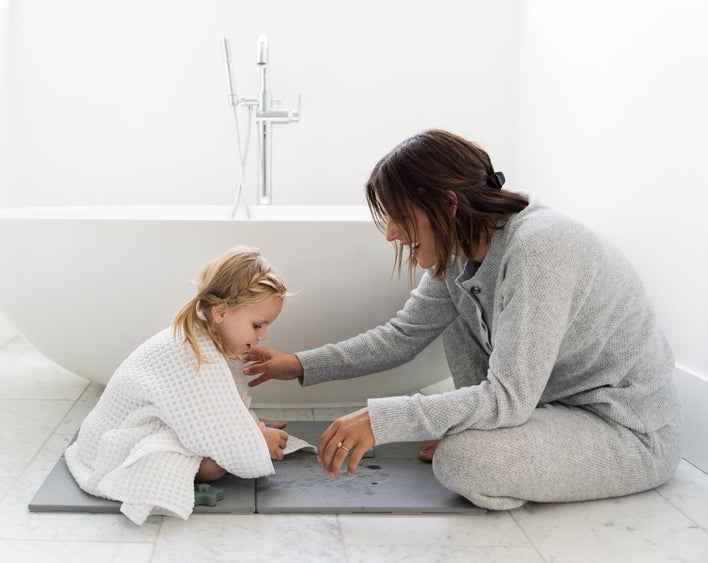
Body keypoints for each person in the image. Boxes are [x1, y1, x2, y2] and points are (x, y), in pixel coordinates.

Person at [241, 129, 683, 510]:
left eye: (398, 217)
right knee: (452, 315)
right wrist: (299, 364)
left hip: (625, 430)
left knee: (462, 460)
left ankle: (507, 455)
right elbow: (403, 336)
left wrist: (382, 419)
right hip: (543, 408)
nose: (391, 233)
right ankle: (503, 444)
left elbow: (508, 397)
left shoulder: (541, 249)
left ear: (446, 204)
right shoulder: (460, 255)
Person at [65, 246, 292, 524]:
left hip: (110, 432)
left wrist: (243, 421)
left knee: (218, 449)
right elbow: (205, 428)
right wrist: (254, 439)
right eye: (257, 325)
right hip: (108, 445)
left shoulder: (202, 333)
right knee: (213, 467)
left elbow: (207, 408)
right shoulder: (190, 351)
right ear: (221, 312)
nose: (263, 335)